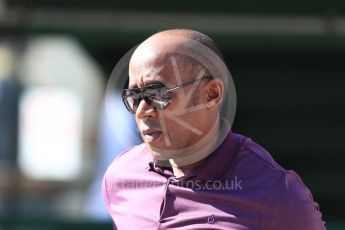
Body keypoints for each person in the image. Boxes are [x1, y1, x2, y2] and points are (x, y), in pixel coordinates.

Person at [102, 29, 325, 229]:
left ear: (211, 94)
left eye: (158, 94)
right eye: (135, 96)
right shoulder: (120, 176)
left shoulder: (277, 195)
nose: (142, 111)